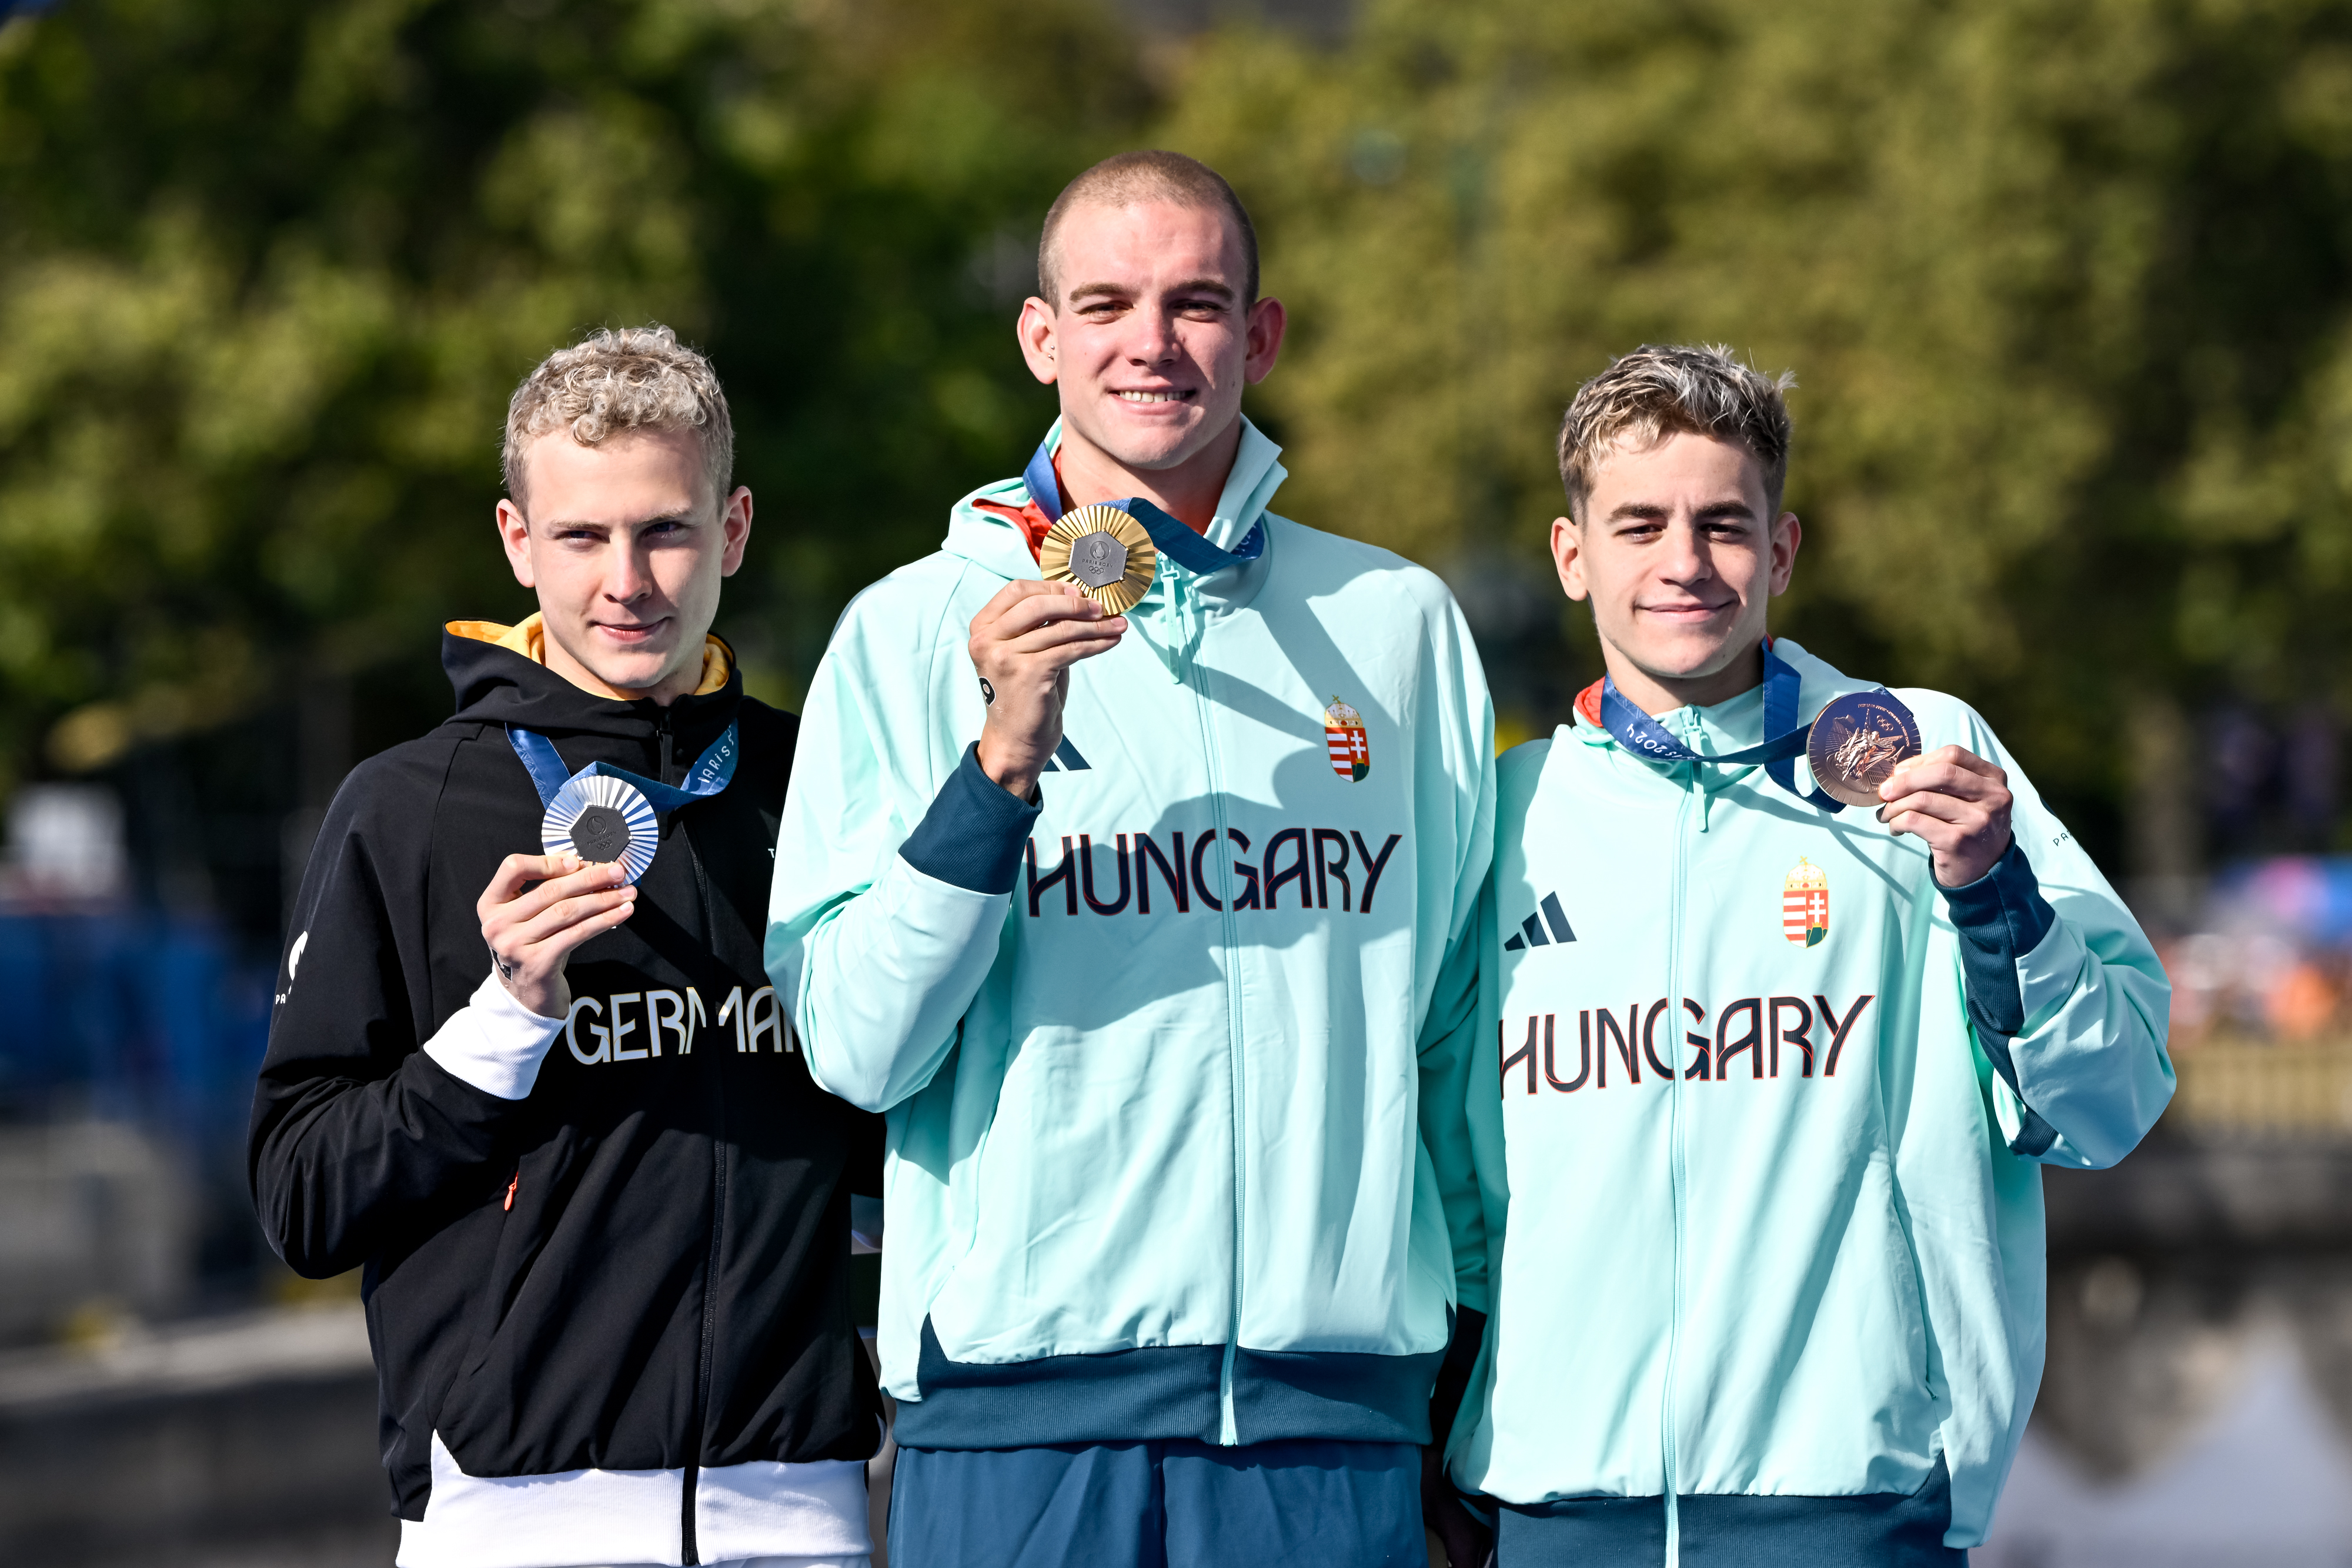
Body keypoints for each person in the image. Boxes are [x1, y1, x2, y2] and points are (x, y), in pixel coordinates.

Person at [767, 151, 1496, 1568]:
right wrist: (996, 775)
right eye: (1105, 303)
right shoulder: (905, 632)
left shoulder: (1400, 626)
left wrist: (1472, 1393)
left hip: (1334, 1429)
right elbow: (854, 1046)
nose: (1150, 344)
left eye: (1196, 303)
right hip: (1020, 1429)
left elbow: (1457, 1042)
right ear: (1041, 337)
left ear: (1261, 335)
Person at [1445, 344, 2174, 1564]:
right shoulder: (1500, 809)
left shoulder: (1924, 759)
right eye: (1638, 524)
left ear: (1779, 551)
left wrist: (1993, 893)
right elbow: (1453, 1175)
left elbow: (2111, 1098)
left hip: (1847, 1493)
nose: (1683, 562)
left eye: (1722, 524)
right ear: (1573, 558)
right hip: (1554, 1500)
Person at [249, 326, 884, 1568]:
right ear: (515, 539)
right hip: (517, 1516)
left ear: (735, 528)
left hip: (802, 1508)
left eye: (666, 529)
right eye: (584, 536)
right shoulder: (406, 807)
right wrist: (503, 1020)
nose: (628, 579)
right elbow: (301, 1198)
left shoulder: (824, 782)